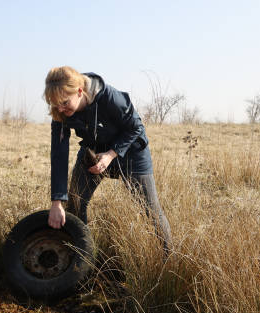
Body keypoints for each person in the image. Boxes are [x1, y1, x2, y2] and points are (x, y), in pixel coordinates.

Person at [44, 66, 172, 253]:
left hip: (131, 152)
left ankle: (169, 258)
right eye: (56, 104)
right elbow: (59, 154)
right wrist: (56, 202)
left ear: (79, 92)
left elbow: (135, 128)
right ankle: (82, 257)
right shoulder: (60, 111)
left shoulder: (110, 97)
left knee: (151, 210)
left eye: (64, 102)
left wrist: (111, 155)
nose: (60, 109)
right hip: (94, 151)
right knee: (75, 203)